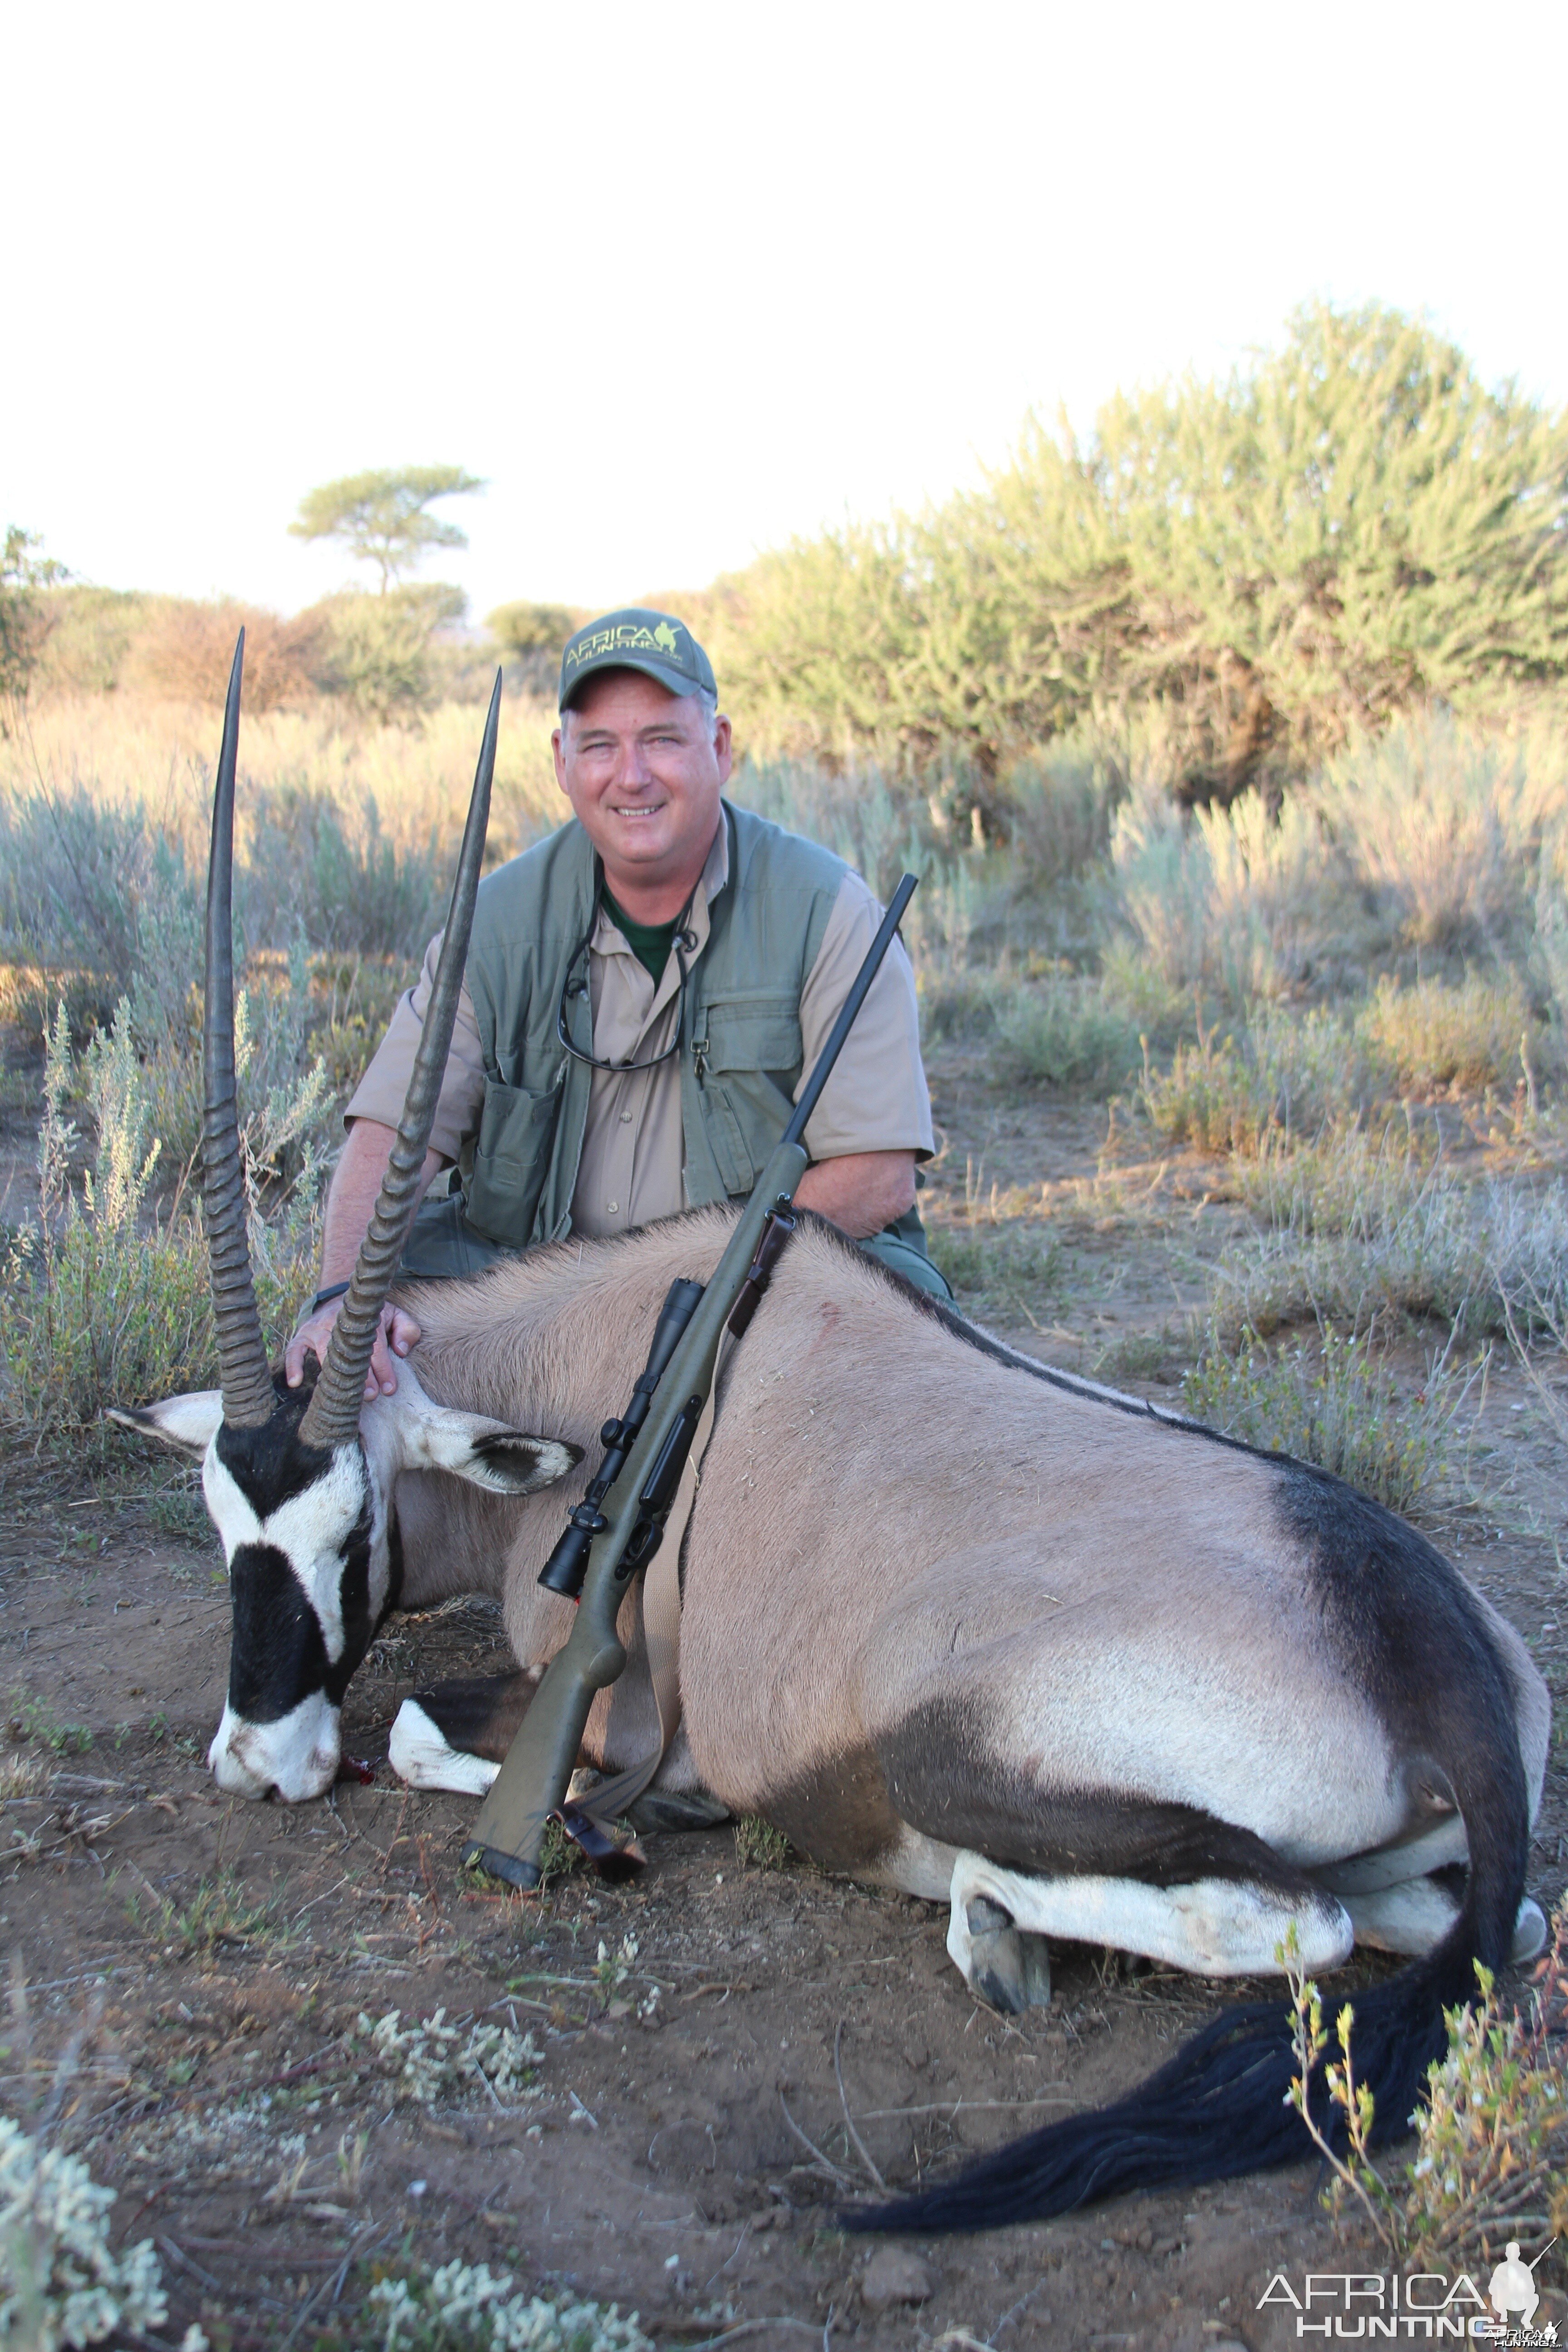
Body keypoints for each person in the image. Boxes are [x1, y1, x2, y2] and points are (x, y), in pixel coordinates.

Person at [287, 607, 945, 1401]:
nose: (630, 776)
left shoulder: (827, 908)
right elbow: (392, 1135)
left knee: (895, 1345)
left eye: (662, 739)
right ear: (563, 762)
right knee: (350, 1349)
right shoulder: (494, 923)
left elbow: (876, 1180)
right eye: (600, 745)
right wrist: (337, 1303)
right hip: (534, 1292)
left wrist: (653, 1288)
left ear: (722, 747)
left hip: (747, 1284)